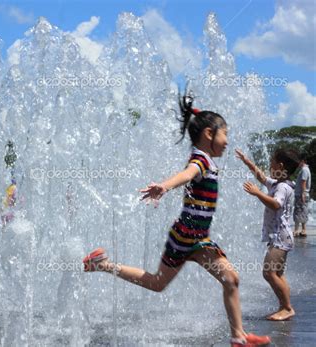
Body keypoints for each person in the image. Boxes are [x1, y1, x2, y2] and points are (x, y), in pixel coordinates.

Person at [82, 91, 271, 347]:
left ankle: (238, 338)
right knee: (157, 283)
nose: (227, 141)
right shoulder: (200, 160)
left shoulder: (207, 159)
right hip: (184, 238)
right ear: (208, 134)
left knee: (231, 279)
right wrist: (164, 186)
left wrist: (198, 114)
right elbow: (187, 174)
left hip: (198, 239)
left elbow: (193, 163)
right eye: (224, 134)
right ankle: (102, 265)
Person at [236, 148, 299, 321]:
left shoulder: (283, 188)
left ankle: (287, 308)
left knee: (268, 273)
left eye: (271, 163)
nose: (269, 167)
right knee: (277, 274)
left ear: (280, 165)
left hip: (281, 237)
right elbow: (261, 177)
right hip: (280, 237)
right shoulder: (277, 184)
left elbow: (276, 205)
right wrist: (246, 161)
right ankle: (284, 306)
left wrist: (257, 193)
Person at [294, 153, 311, 237]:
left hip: (301, 194)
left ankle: (296, 230)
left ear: (302, 161)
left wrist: (303, 193)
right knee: (303, 211)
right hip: (303, 194)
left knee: (298, 211)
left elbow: (303, 182)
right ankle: (303, 230)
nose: (298, 163)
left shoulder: (304, 170)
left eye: (299, 161)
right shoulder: (306, 169)